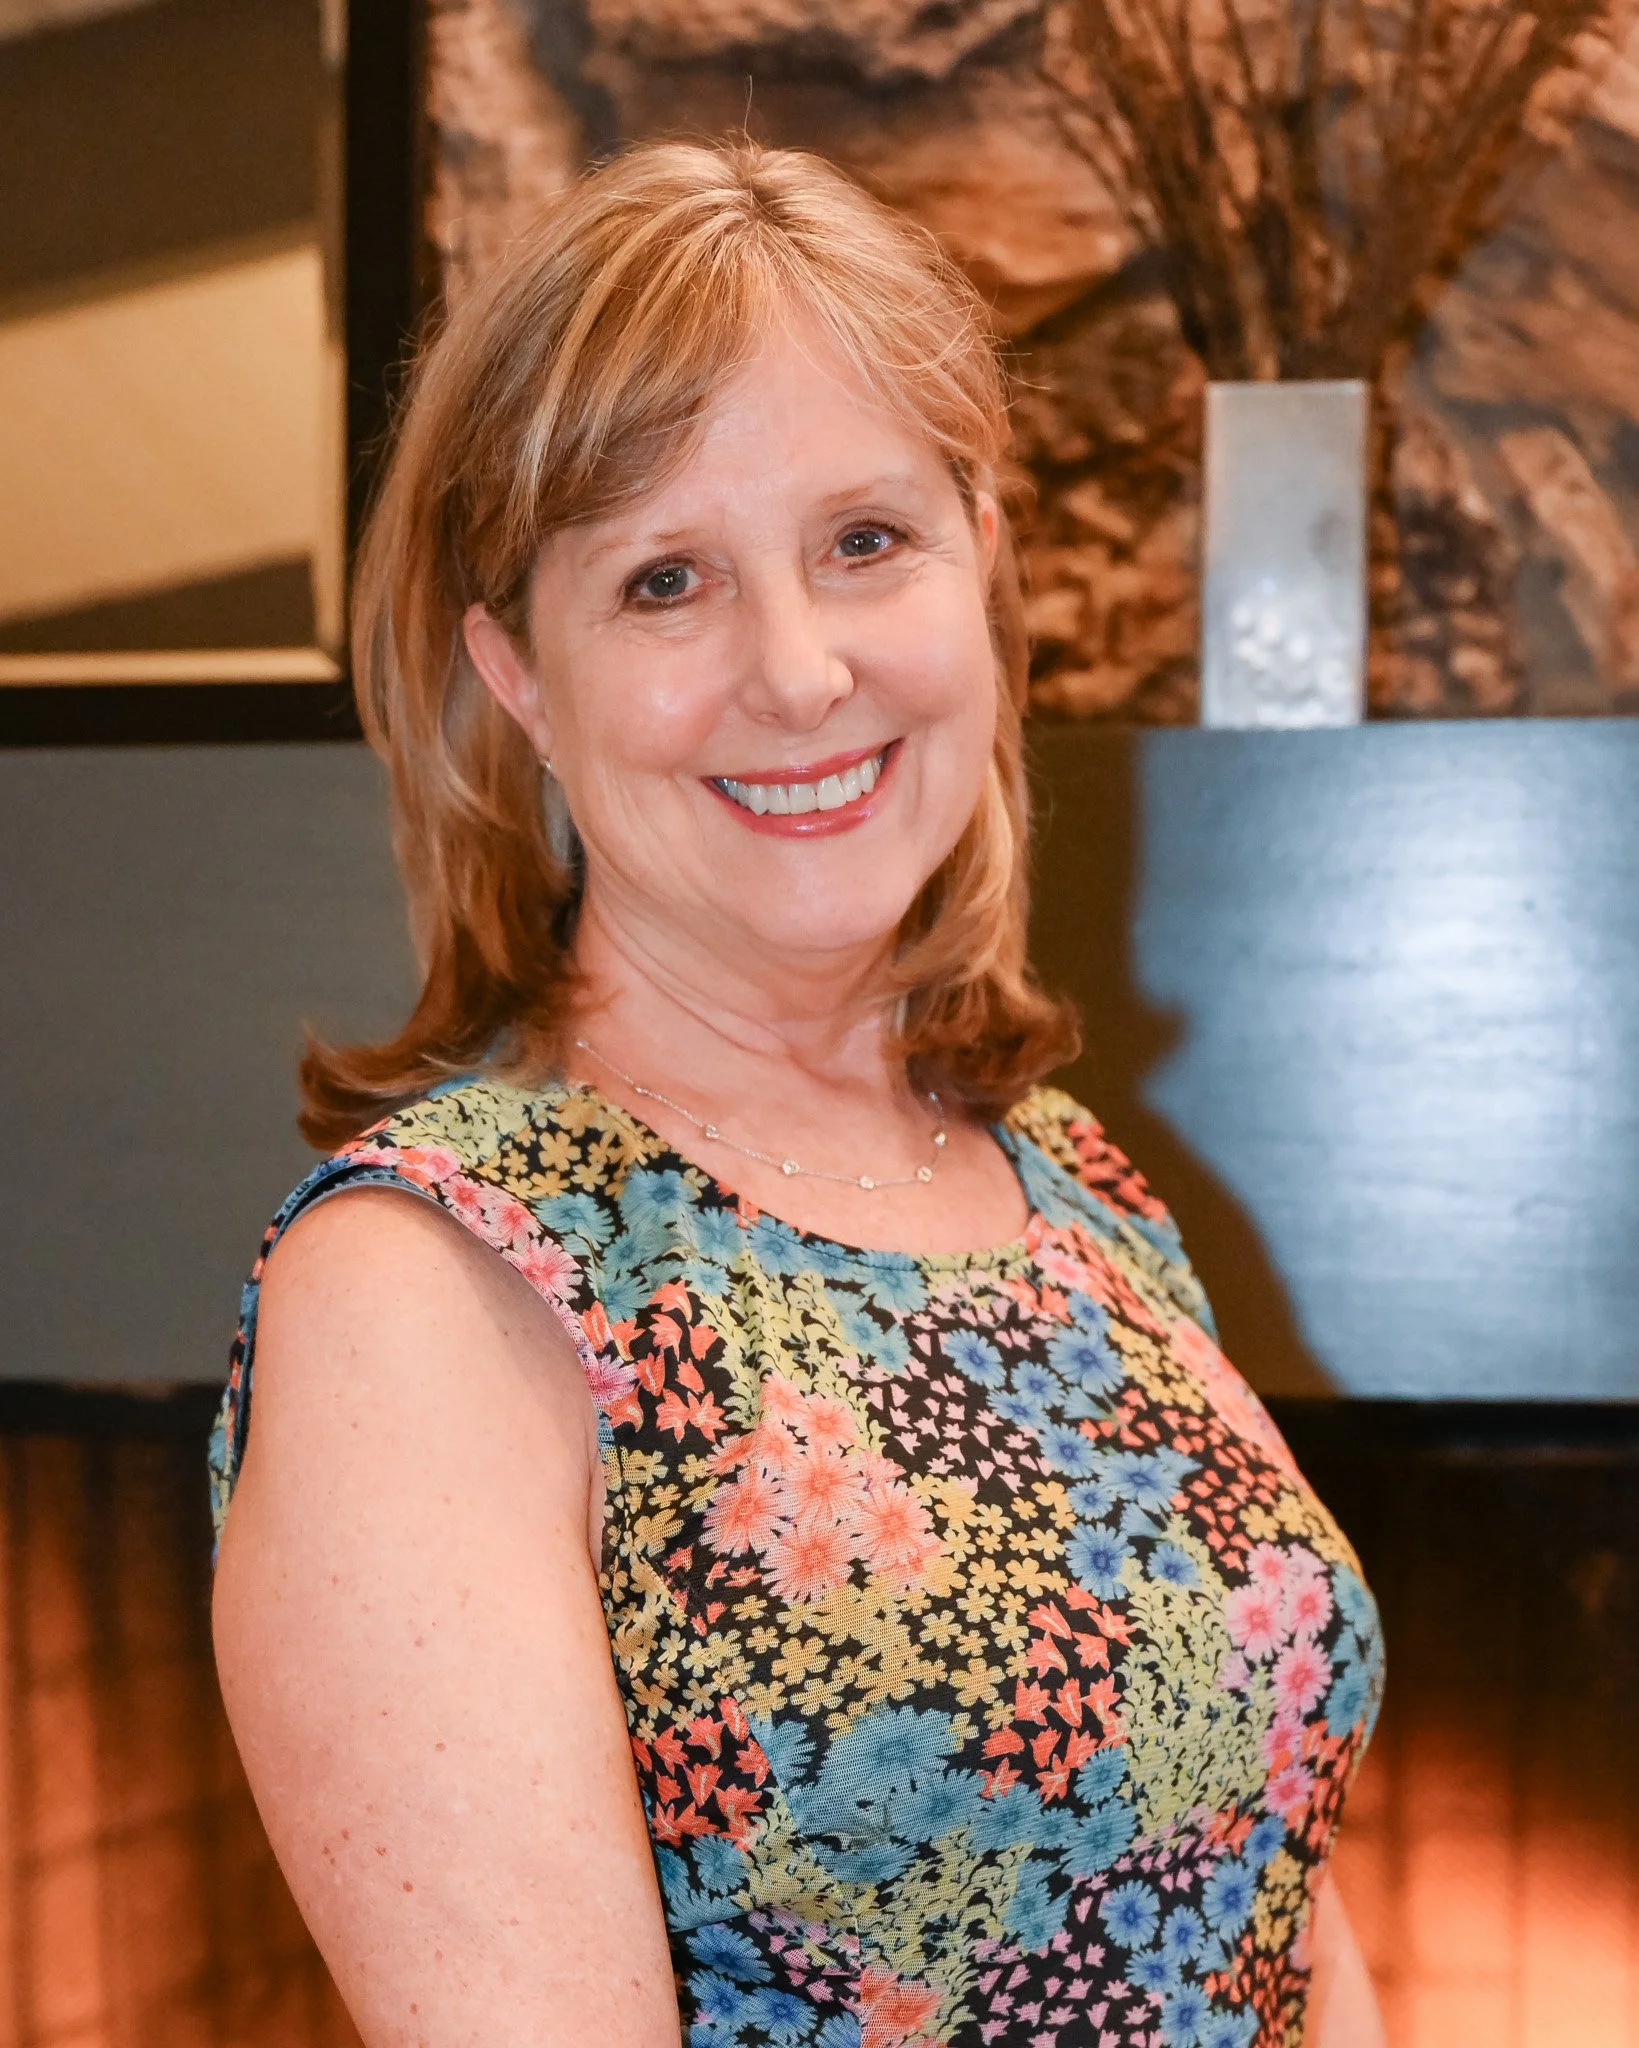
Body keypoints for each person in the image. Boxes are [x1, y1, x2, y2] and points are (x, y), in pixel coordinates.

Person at [209, 138, 1386, 2048]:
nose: (801, 667)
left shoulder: (1073, 1191)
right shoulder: (428, 1295)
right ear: (514, 669)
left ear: (981, 553)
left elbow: (1278, 1890)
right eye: (665, 579)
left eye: (864, 540)